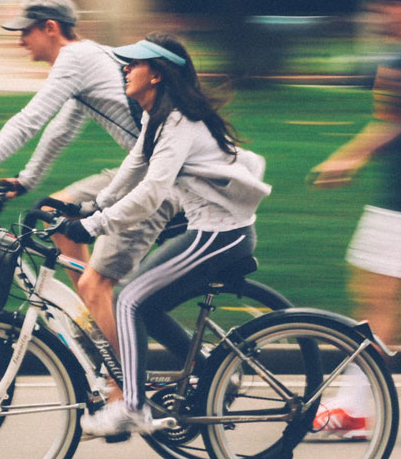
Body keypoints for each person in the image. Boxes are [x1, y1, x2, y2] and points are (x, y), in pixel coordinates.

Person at [0, 0, 179, 372]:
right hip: (142, 169)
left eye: (26, 31)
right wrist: (26, 180)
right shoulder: (87, 58)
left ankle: (121, 389)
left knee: (94, 284)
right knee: (55, 213)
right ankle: (97, 325)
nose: (20, 40)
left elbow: (28, 121)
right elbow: (60, 131)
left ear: (50, 28)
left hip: (161, 180)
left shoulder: (75, 59)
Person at [56, 33, 272, 436]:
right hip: (212, 233)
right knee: (146, 306)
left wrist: (93, 225)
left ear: (156, 74)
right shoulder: (159, 117)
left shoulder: (178, 121)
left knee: (128, 301)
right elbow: (132, 169)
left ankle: (133, 406)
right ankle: (209, 369)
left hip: (220, 236)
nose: (124, 68)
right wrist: (92, 205)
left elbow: (151, 193)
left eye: (133, 64)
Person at [310, 0, 401, 439]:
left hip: (400, 206)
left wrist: (345, 159)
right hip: (399, 202)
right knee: (379, 299)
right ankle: (355, 402)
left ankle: (354, 407)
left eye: (388, 5)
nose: (380, 12)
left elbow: (391, 121)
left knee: (375, 299)